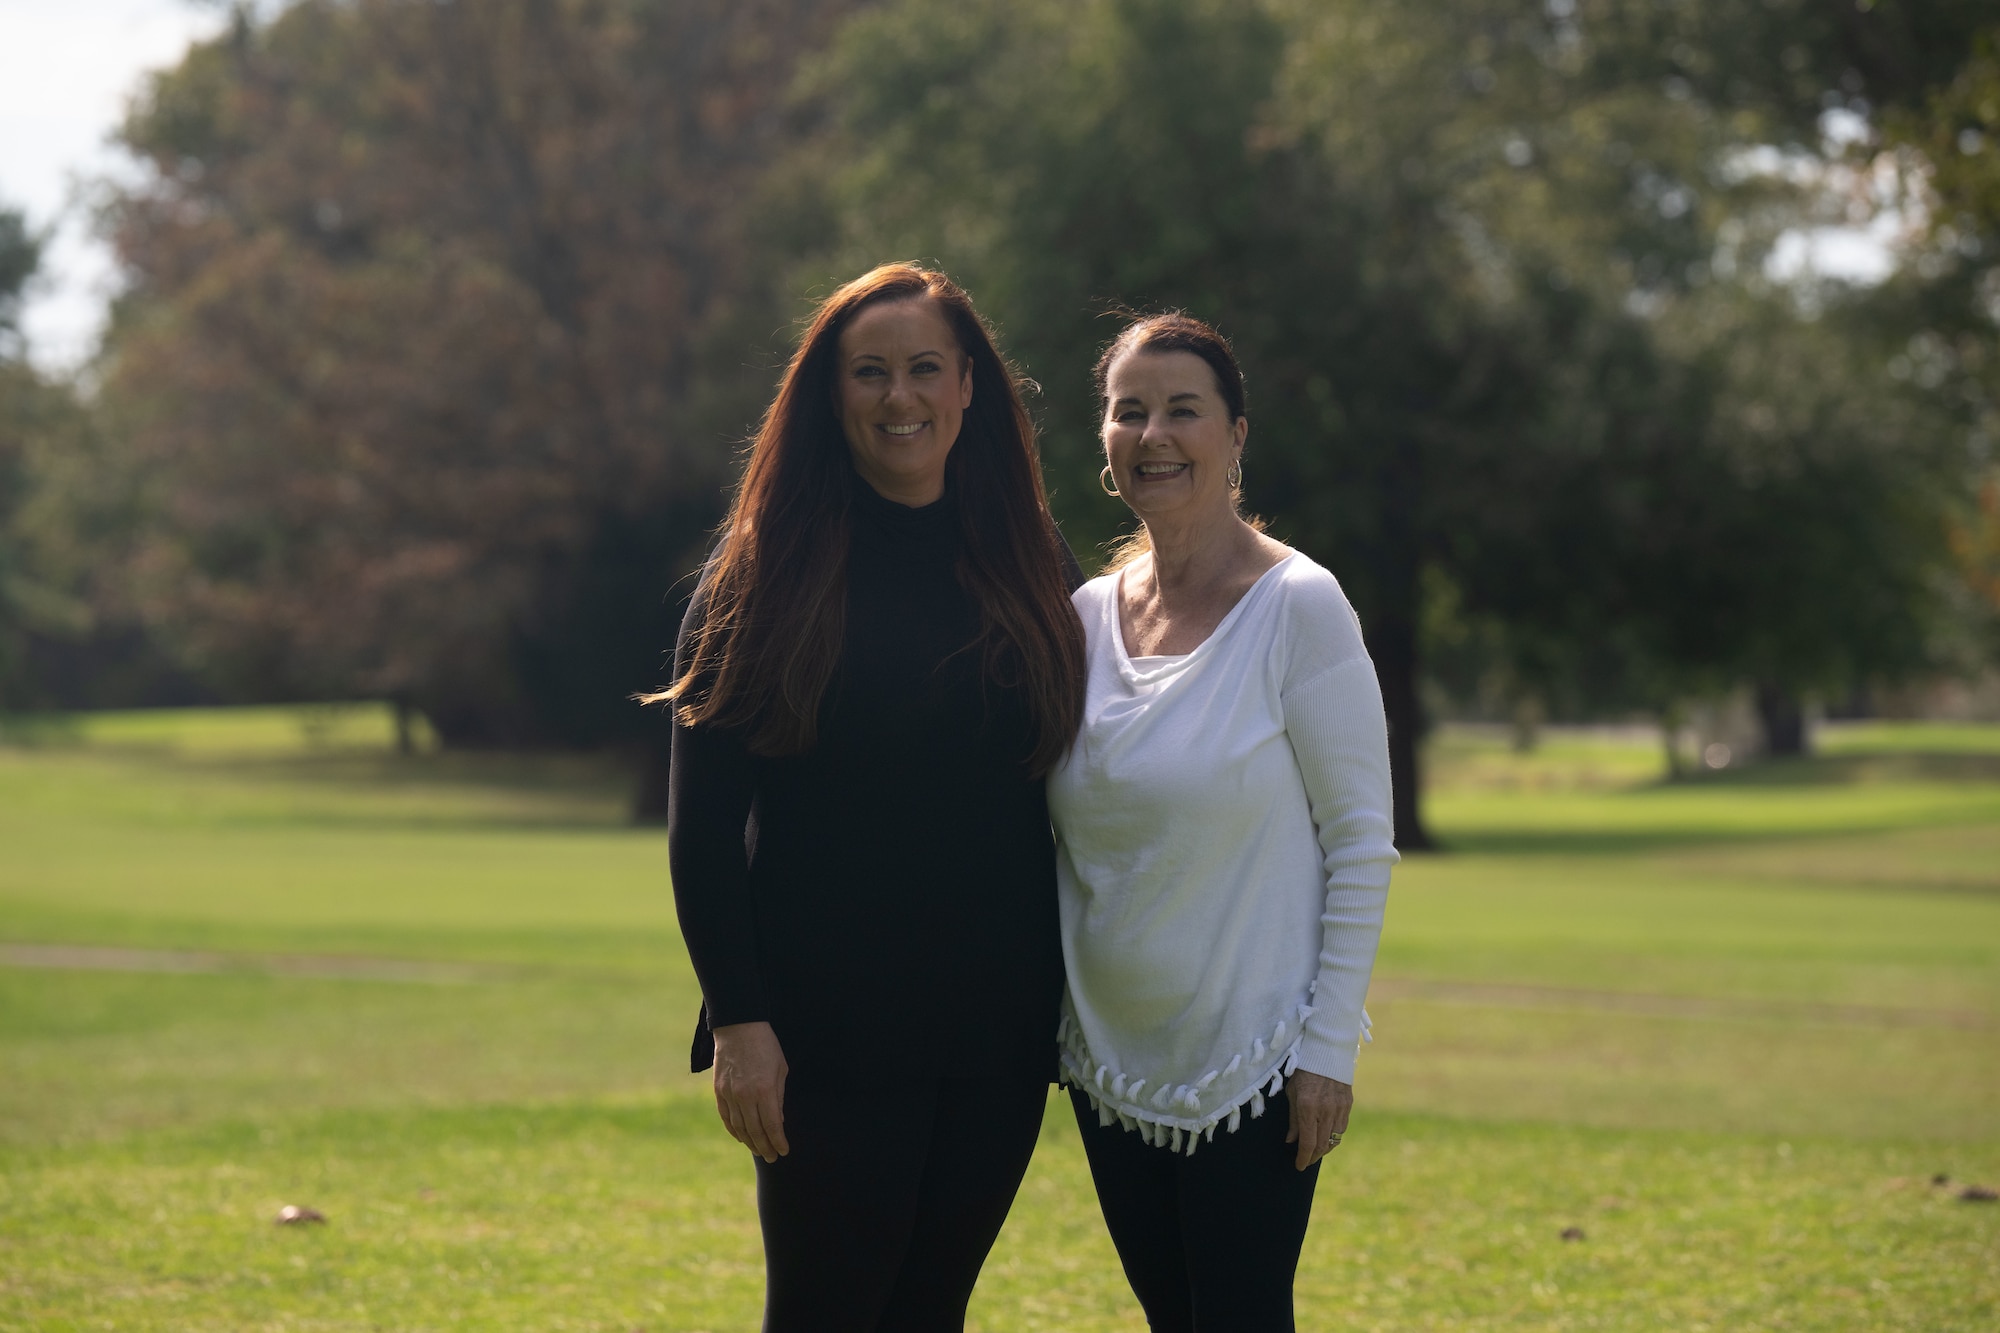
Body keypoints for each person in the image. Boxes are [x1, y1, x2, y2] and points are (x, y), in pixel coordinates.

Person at [652, 263, 1087, 1331]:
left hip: (996, 1029)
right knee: (826, 1313)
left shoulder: (1029, 562)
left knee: (930, 1309)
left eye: (925, 369)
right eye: (871, 373)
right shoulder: (760, 577)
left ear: (969, 386)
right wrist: (742, 1023)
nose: (901, 398)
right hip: (823, 1033)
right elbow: (701, 831)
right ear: (830, 395)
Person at [1048, 314, 1399, 1331]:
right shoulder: (1078, 619)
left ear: (1235, 433)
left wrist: (1327, 1050)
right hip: (1108, 1062)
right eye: (1129, 410)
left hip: (1253, 1063)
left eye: (1182, 410)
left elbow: (1359, 839)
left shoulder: (1300, 606)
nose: (1152, 432)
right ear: (1105, 442)